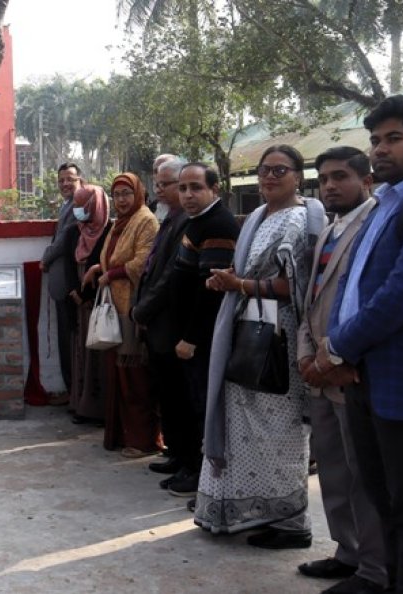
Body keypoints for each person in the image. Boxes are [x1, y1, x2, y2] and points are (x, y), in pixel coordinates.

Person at [319, 94, 403, 594]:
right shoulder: (386, 203)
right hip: (369, 377)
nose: (380, 150)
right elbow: (358, 282)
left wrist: (339, 345)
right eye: (375, 140)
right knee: (383, 498)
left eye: (394, 139)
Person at [197, 145, 326, 549]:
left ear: (297, 176)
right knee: (242, 428)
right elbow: (249, 272)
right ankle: (246, 510)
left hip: (278, 338)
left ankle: (291, 523)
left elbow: (296, 288)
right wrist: (229, 281)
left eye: (279, 170)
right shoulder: (256, 215)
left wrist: (241, 286)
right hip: (247, 328)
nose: (269, 177)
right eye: (264, 170)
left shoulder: (303, 218)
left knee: (278, 430)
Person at [295, 147, 386, 592]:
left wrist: (333, 358)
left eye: (341, 177)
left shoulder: (375, 227)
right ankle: (347, 552)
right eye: (324, 179)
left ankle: (374, 567)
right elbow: (310, 301)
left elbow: (371, 305)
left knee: (364, 475)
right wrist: (304, 354)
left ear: (366, 179)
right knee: (332, 469)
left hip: (350, 370)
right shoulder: (329, 230)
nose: (330, 186)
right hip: (318, 371)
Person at [157, 163, 238, 498]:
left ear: (214, 190)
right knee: (187, 403)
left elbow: (211, 291)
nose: (188, 194)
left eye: (196, 188)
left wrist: (191, 337)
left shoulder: (218, 224)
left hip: (202, 339)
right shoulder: (197, 222)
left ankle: (201, 474)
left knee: (202, 407)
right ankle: (186, 462)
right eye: (184, 188)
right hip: (185, 334)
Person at [83, 172, 159, 458]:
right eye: (117, 195)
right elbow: (111, 256)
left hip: (131, 307)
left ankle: (144, 440)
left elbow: (143, 262)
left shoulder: (146, 220)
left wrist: (110, 274)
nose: (122, 200)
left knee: (135, 377)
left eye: (127, 193)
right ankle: (122, 435)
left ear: (139, 194)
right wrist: (98, 269)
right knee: (119, 376)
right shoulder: (119, 224)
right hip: (116, 306)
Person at [133, 158, 191, 478]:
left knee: (180, 396)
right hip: (157, 323)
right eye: (158, 183)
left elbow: (170, 276)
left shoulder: (185, 221)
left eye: (167, 184)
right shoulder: (168, 218)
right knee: (167, 395)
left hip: (171, 322)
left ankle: (186, 460)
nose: (160, 189)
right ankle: (175, 454)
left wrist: (144, 308)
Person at [66, 183, 111, 425]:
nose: (78, 210)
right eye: (76, 205)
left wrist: (87, 295)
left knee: (100, 353)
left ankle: (101, 409)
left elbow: (110, 263)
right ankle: (82, 406)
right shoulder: (76, 231)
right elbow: (67, 261)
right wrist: (75, 290)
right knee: (82, 351)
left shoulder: (110, 230)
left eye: (82, 205)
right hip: (79, 302)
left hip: (99, 301)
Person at [40, 163, 83, 404]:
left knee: (71, 340)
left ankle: (75, 393)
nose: (65, 184)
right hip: (62, 281)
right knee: (66, 339)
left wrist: (46, 258)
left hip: (70, 281)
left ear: (80, 180)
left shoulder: (80, 204)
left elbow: (66, 237)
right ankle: (71, 391)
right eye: (61, 181)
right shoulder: (67, 204)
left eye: (70, 179)